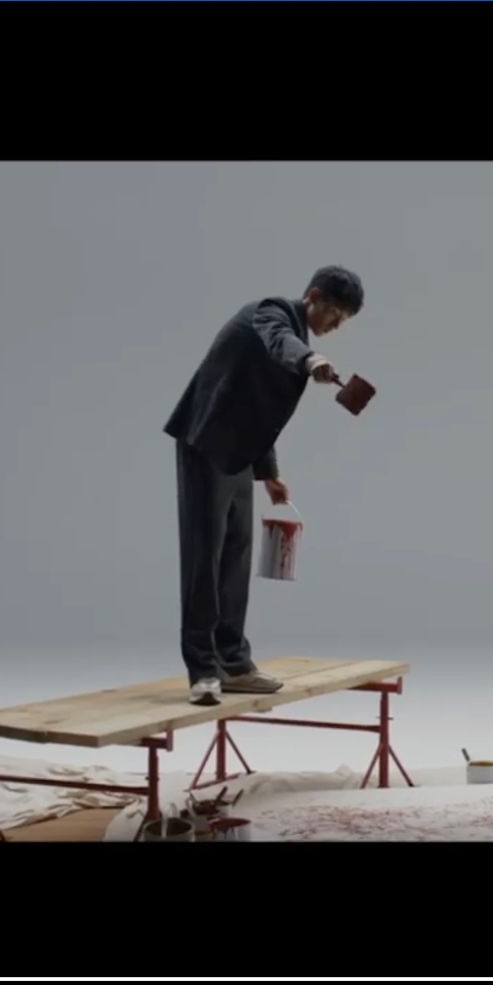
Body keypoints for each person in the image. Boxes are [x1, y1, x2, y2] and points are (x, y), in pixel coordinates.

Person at [164, 266, 364, 705]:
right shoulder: (270, 313)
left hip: (237, 454)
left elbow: (258, 412)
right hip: (204, 444)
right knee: (205, 558)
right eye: (335, 313)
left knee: (235, 557)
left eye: (344, 320)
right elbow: (280, 341)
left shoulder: (300, 341)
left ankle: (234, 663)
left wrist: (269, 473)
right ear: (312, 296)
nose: (336, 325)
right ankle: (203, 671)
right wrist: (311, 361)